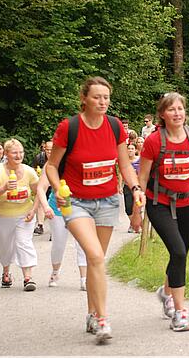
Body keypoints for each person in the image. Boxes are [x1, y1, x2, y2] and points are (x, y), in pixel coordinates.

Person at [45, 76, 145, 343]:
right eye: (97, 97)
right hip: (75, 202)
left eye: (106, 97)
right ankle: (103, 319)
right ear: (84, 99)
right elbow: (52, 166)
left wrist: (135, 188)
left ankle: (91, 312)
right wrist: (57, 189)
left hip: (107, 201)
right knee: (95, 256)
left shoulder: (114, 127)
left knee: (94, 260)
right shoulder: (70, 127)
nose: (102, 102)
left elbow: (124, 165)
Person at [137, 92, 189, 332]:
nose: (177, 113)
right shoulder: (154, 141)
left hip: (187, 204)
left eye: (180, 109)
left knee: (179, 253)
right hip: (159, 204)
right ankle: (180, 312)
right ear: (162, 114)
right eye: (171, 109)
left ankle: (165, 292)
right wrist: (137, 207)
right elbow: (142, 176)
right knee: (178, 250)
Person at [0, 138, 40, 293]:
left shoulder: (29, 171)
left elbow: (39, 192)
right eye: (14, 152)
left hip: (24, 214)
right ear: (6, 154)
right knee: (5, 247)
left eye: (21, 152)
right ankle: (6, 272)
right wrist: (4, 188)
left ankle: (28, 278)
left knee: (24, 242)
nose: (18, 155)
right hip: (3, 216)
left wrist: (34, 209)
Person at [35, 164, 87, 290]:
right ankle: (55, 272)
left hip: (80, 208)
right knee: (59, 243)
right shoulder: (52, 164)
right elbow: (41, 188)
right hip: (57, 210)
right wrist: (46, 207)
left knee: (82, 243)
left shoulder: (81, 158)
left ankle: (84, 279)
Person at [32, 140, 53, 235]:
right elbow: (33, 170)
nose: (49, 152)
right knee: (40, 202)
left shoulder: (59, 158)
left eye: (51, 150)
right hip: (42, 182)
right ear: (44, 149)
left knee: (54, 203)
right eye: (47, 150)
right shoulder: (39, 158)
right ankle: (40, 225)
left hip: (55, 184)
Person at [122, 142, 141, 233]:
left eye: (132, 149)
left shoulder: (139, 160)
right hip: (126, 186)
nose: (130, 150)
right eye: (128, 149)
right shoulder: (124, 161)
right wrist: (119, 185)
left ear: (135, 150)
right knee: (128, 208)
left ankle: (133, 226)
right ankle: (133, 223)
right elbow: (121, 174)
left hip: (137, 187)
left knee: (136, 207)